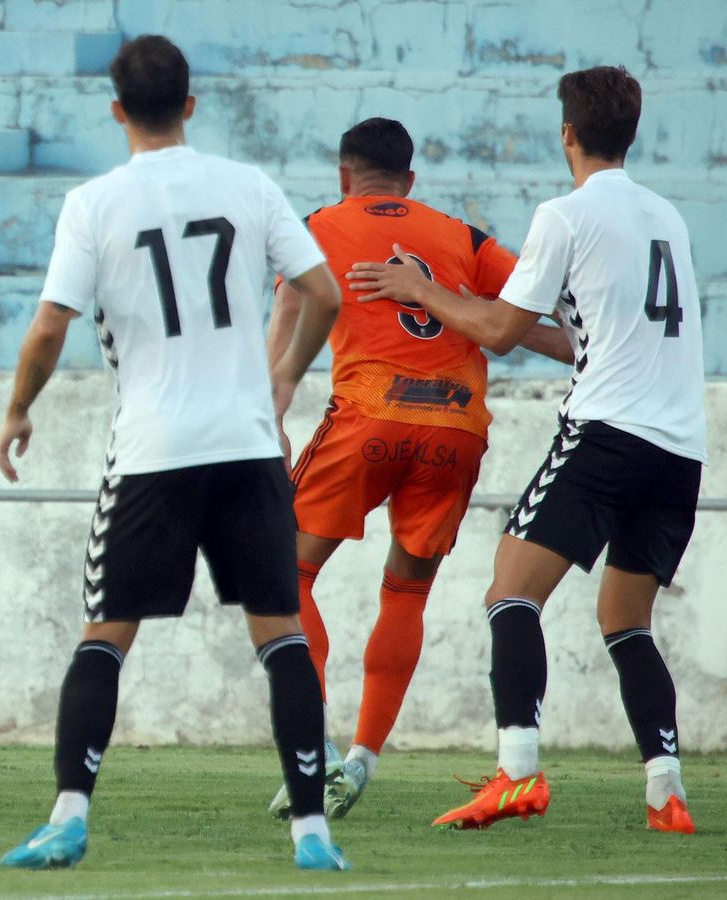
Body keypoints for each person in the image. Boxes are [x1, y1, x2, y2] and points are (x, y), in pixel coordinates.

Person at [0, 36, 349, 871]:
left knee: (105, 637)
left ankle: (71, 817)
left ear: (117, 110)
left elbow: (51, 326)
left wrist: (16, 410)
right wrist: (283, 379)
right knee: (281, 637)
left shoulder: (94, 203)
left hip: (154, 450)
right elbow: (321, 292)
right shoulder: (249, 185)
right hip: (245, 446)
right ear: (191, 104)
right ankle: (312, 833)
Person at [348, 66, 704, 834]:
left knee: (510, 592)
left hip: (607, 432)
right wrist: (463, 304)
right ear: (630, 133)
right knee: (626, 618)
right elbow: (577, 338)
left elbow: (501, 332)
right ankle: (666, 792)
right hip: (679, 445)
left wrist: (422, 290)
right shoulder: (667, 217)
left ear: (568, 134)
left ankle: (516, 775)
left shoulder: (565, 215)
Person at [262, 117, 572, 820]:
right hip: (456, 427)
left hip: (370, 416)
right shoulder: (459, 236)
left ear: (345, 176)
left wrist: (271, 414)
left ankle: (314, 754)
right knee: (405, 593)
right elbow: (541, 313)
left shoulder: (318, 224)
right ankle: (363, 760)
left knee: (288, 574)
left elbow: (289, 307)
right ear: (410, 181)